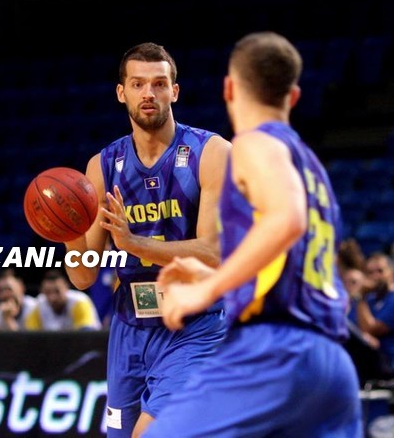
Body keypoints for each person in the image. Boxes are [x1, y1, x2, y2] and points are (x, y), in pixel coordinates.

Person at [143, 32, 362, 437]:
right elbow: (290, 264)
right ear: (293, 96)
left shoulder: (253, 144)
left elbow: (287, 219)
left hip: (276, 352)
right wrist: (216, 278)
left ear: (228, 88)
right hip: (332, 364)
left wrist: (204, 293)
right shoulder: (311, 165)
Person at [62, 42, 231, 437]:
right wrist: (68, 234)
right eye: (137, 84)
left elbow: (213, 253)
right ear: (122, 93)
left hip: (196, 325)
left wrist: (134, 244)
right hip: (130, 328)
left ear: (175, 91)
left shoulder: (212, 152)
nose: (148, 93)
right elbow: (83, 278)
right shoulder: (101, 166)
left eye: (158, 83)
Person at [348, 252, 394, 382]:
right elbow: (351, 326)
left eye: (380, 271)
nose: (375, 276)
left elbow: (370, 329)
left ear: (392, 274)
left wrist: (359, 297)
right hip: (366, 361)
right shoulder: (370, 299)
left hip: (388, 363)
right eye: (370, 273)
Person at [25, 269, 101, 331]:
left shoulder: (79, 302)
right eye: (48, 292)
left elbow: (85, 335)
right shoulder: (39, 305)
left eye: (57, 291)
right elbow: (31, 335)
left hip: (89, 346)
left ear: (66, 288)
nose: (52, 297)